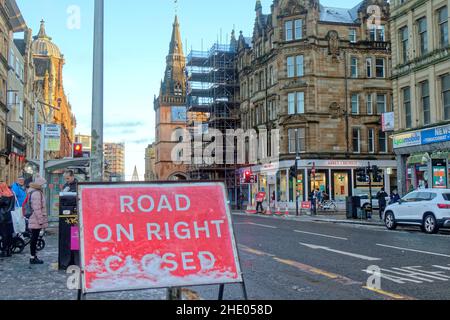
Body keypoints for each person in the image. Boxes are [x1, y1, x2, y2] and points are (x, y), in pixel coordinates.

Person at [28, 176, 48, 265]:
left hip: (35, 218)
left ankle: (34, 256)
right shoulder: (36, 193)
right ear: (40, 184)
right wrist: (41, 220)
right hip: (36, 219)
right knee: (34, 238)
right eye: (43, 184)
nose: (44, 185)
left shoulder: (36, 192)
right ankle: (32, 257)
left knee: (35, 238)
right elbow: (37, 209)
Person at [0, 182, 15, 258]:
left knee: (4, 235)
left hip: (2, 217)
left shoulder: (3, 197)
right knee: (9, 234)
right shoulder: (12, 195)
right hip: (10, 217)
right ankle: (9, 250)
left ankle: (4, 250)